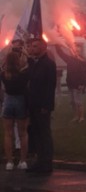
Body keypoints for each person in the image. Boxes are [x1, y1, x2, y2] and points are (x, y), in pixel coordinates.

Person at [26, 37, 58, 175]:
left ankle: (46, 163)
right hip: (33, 104)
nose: (32, 49)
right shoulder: (35, 63)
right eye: (31, 46)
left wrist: (47, 106)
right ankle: (39, 161)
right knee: (36, 133)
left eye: (35, 46)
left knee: (44, 134)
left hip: (42, 106)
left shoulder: (48, 64)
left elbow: (50, 86)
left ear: (43, 48)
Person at [1, 44, 30, 170]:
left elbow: (2, 66)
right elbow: (29, 64)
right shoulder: (23, 74)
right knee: (23, 133)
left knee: (8, 133)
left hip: (8, 101)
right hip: (20, 101)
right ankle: (23, 161)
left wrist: (7, 51)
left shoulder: (4, 74)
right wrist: (24, 52)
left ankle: (9, 162)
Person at [58, 44, 86, 123]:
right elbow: (60, 54)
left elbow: (84, 73)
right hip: (70, 84)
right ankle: (75, 116)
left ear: (80, 51)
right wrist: (57, 44)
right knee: (72, 102)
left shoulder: (82, 60)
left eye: (77, 50)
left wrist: (82, 84)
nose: (76, 52)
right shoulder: (70, 59)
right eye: (75, 50)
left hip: (78, 84)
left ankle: (81, 117)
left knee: (78, 102)